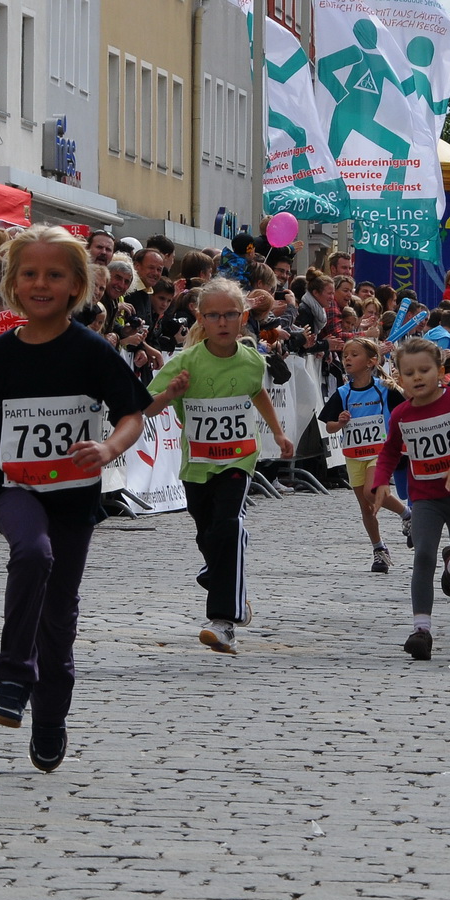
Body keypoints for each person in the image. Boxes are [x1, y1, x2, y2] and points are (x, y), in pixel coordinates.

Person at [0, 226, 150, 772]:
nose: (40, 283)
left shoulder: (92, 350)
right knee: (33, 553)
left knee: (59, 617)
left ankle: (51, 717)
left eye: (54, 275)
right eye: (29, 273)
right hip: (14, 488)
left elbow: (132, 414)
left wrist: (108, 447)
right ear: (11, 283)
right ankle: (12, 676)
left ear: (78, 285)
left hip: (74, 498)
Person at [145, 279, 294, 654]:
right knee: (207, 532)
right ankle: (221, 576)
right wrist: (169, 394)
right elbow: (145, 406)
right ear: (201, 318)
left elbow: (257, 392)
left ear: (243, 317)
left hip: (239, 457)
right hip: (197, 462)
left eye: (230, 314)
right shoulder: (185, 361)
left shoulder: (251, 360)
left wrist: (278, 434)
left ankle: (223, 621)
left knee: (229, 525)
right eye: (213, 315)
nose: (223, 322)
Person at [368, 336, 450, 661]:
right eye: (408, 373)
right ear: (399, 378)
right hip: (424, 496)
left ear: (440, 371)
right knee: (423, 553)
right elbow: (388, 453)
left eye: (424, 370)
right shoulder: (401, 414)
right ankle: (421, 630)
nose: (417, 378)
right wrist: (381, 482)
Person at [320, 337, 410, 572]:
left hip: (380, 452)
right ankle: (379, 550)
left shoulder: (385, 388)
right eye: (345, 355)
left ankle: (407, 514)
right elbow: (328, 426)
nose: (347, 358)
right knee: (367, 507)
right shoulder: (343, 393)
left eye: (353, 355)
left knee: (372, 491)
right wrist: (338, 423)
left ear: (371, 362)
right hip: (354, 454)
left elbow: (407, 409)